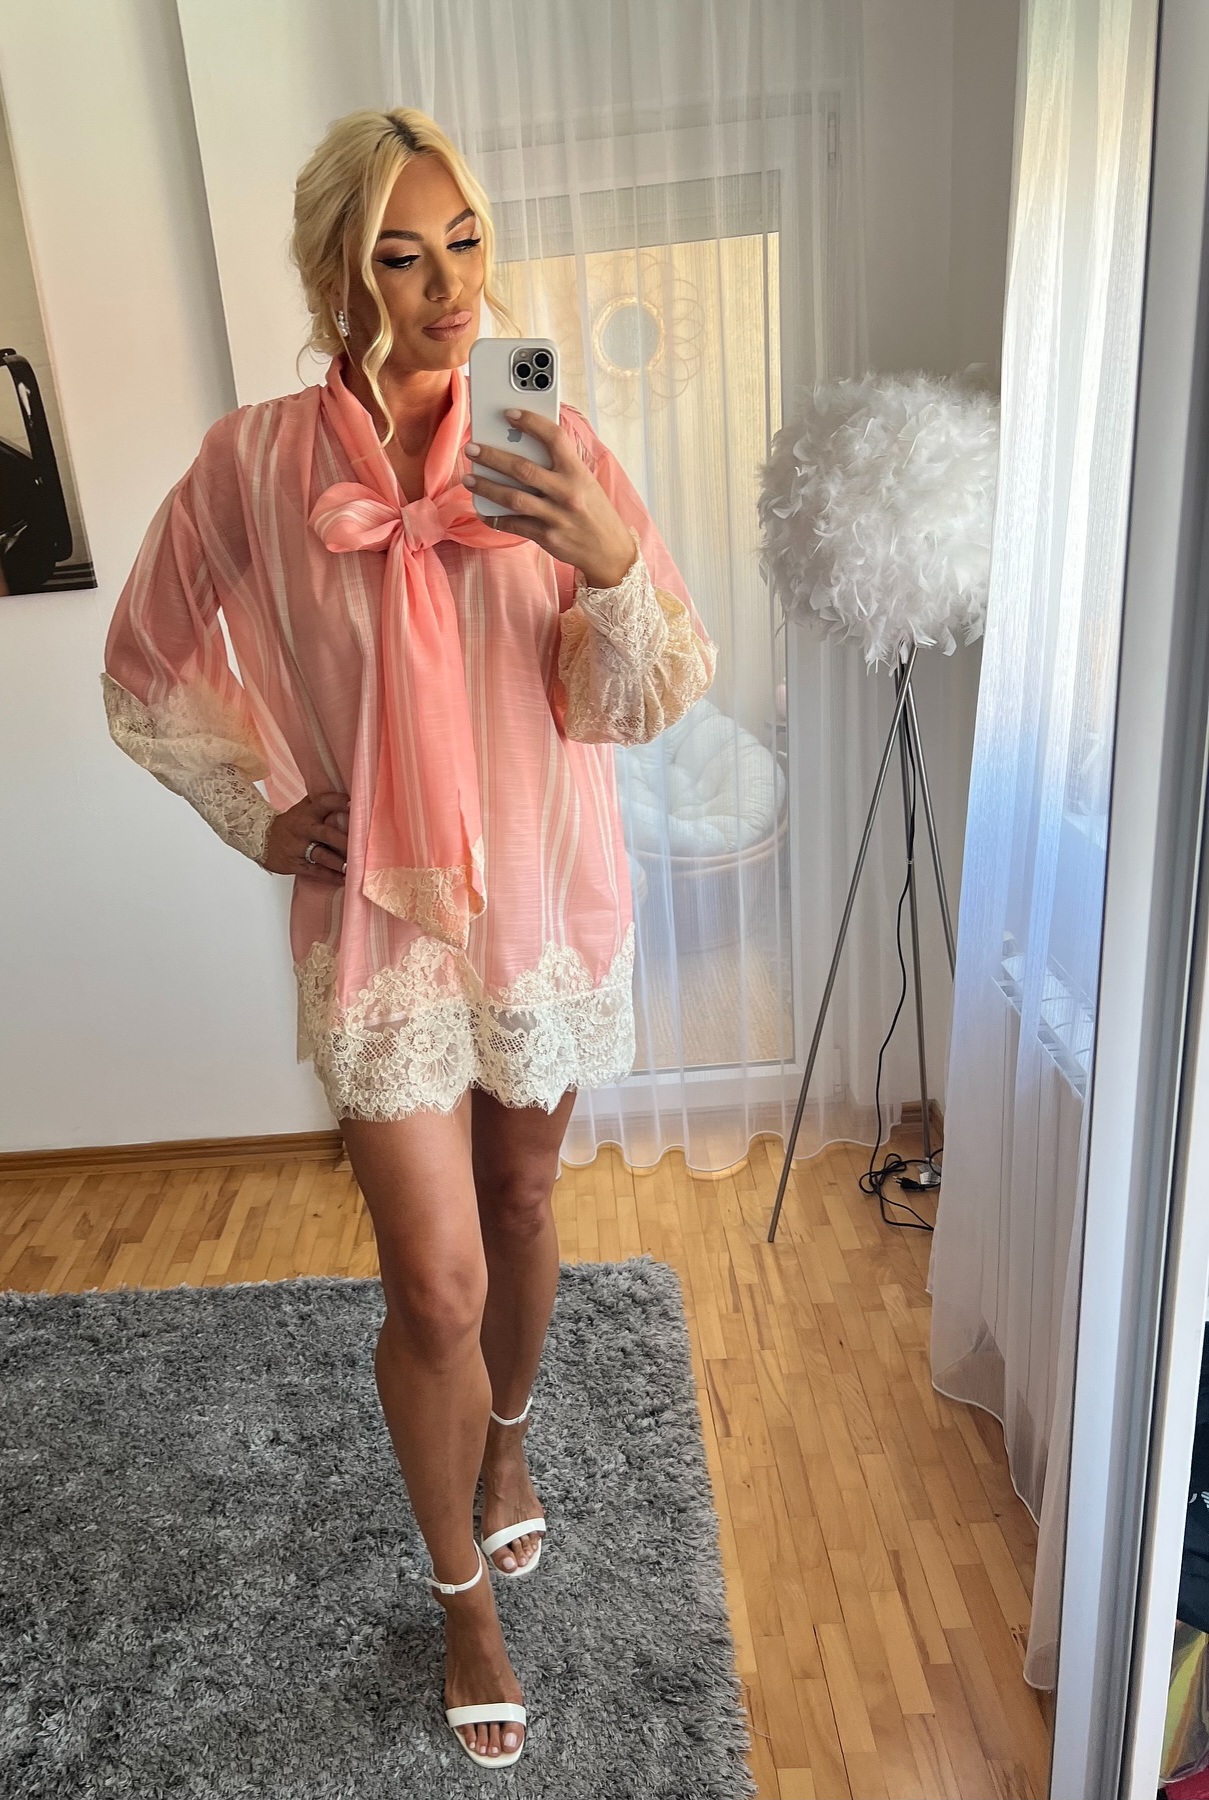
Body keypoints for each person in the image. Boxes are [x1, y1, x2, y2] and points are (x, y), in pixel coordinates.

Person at [99, 105, 717, 1770]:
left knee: (521, 1202)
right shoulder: (251, 466)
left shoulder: (548, 440)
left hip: (543, 894)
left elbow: (635, 699)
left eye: (463, 244)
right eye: (399, 255)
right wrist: (261, 809)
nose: (449, 287)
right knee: (432, 1280)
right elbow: (147, 660)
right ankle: (459, 1601)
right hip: (379, 920)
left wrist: (605, 562)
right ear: (335, 275)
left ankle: (507, 1446)